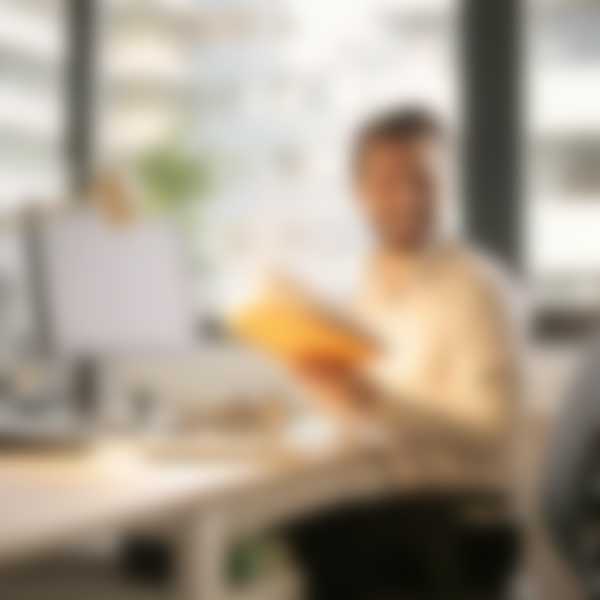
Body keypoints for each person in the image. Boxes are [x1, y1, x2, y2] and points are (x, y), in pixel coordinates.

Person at [289, 107, 521, 600]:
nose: (409, 198)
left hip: (458, 519)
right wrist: (329, 394)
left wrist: (373, 400)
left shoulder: (476, 286)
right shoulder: (373, 285)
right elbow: (373, 414)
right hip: (390, 504)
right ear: (360, 194)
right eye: (389, 181)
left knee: (307, 536)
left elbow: (491, 430)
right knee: (290, 529)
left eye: (424, 180)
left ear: (447, 185)